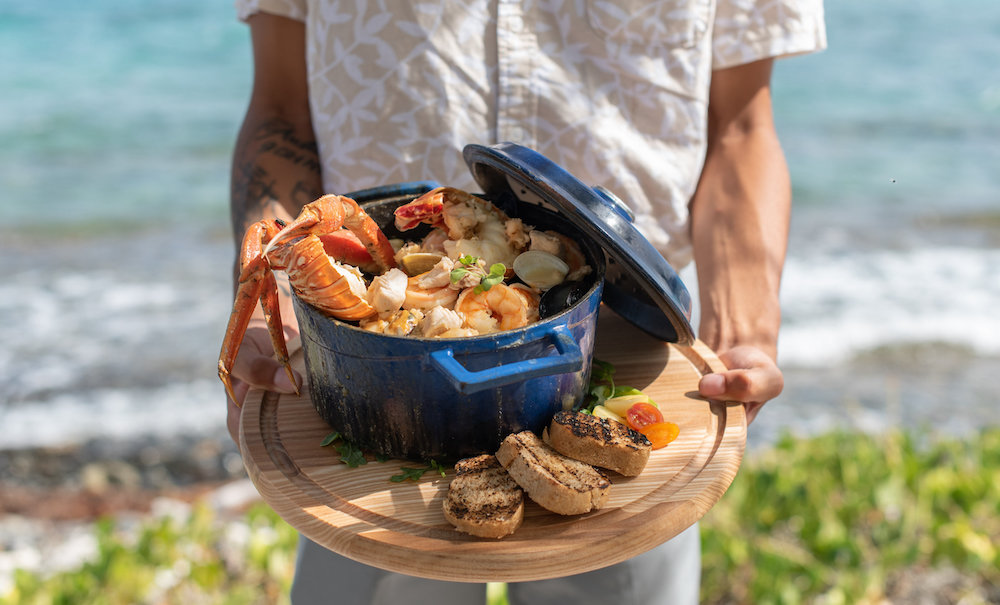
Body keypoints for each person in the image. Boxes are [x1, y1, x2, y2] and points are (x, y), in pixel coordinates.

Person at [224, 2, 826, 604]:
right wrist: (263, 293)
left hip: (613, 349)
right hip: (370, 368)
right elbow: (281, 111)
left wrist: (744, 324)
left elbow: (740, 125)